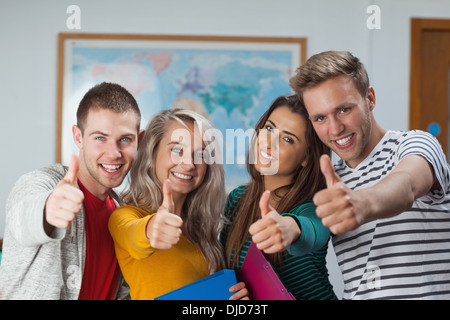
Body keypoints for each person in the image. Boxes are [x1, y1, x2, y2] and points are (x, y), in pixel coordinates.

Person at [290, 50, 450, 300]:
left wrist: (363, 203)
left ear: (370, 98)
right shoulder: (328, 183)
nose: (334, 128)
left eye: (343, 109)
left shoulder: (415, 144)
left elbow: (407, 185)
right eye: (320, 118)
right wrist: (288, 229)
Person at [0, 82, 144, 300]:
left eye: (125, 139)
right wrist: (48, 210)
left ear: (138, 141)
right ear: (78, 137)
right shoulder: (43, 184)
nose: (114, 153)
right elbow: (21, 219)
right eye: (100, 138)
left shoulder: (122, 214)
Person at [221, 95, 337, 300]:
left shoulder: (314, 206)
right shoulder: (236, 199)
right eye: (269, 129)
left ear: (306, 158)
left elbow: (311, 230)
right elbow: (225, 275)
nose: (269, 143)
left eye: (287, 139)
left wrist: (290, 228)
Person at [108, 108, 226, 300]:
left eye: (200, 155)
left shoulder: (204, 234)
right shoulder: (127, 215)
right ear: (152, 153)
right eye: (177, 150)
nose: (188, 164)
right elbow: (134, 235)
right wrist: (152, 228)